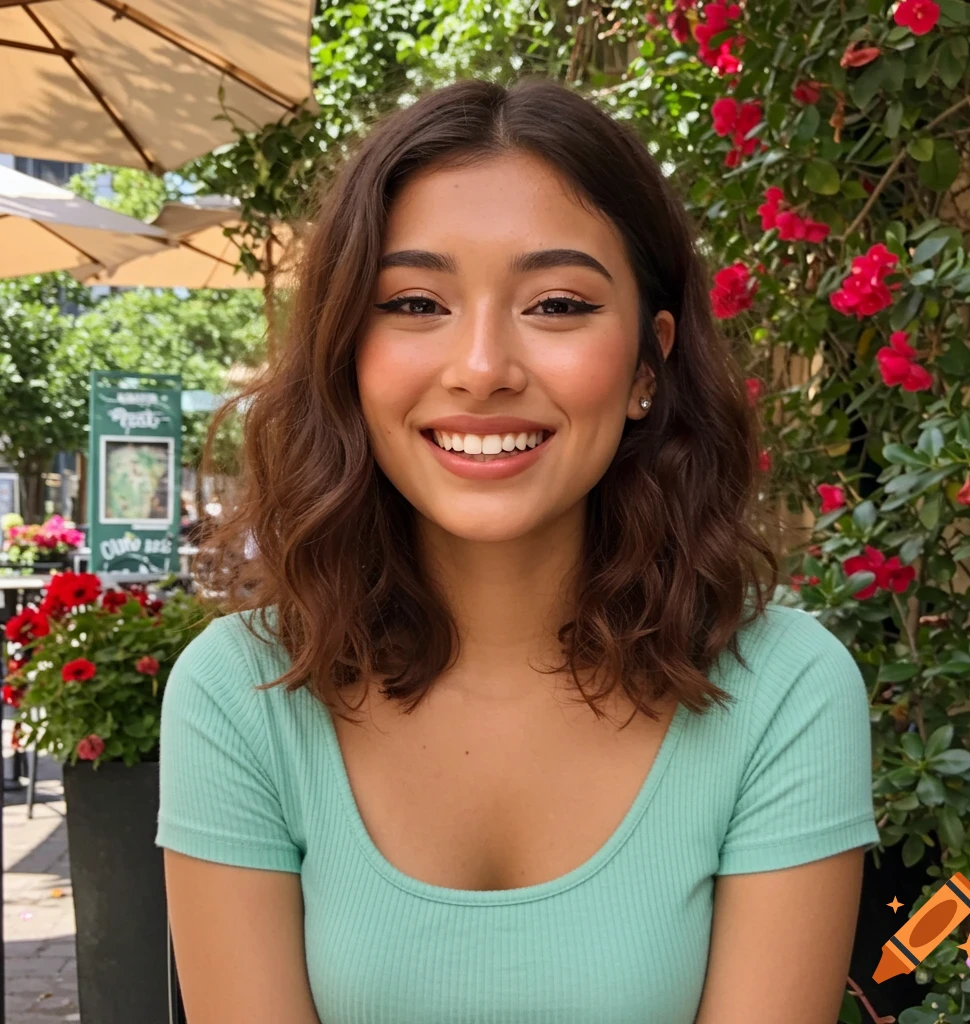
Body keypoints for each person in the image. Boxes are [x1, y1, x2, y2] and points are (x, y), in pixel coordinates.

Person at [157, 77, 880, 1024]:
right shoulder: (242, 697)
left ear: (646, 369)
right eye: (416, 303)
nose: (483, 368)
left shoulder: (783, 691)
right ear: (347, 355)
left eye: (557, 304)